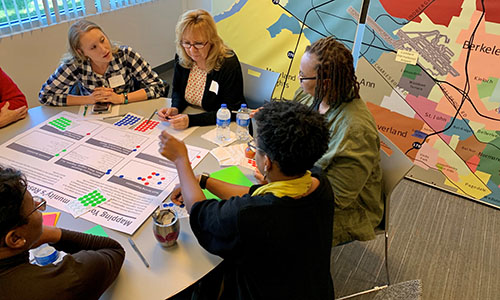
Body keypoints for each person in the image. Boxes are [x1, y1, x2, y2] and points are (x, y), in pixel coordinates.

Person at [158, 101, 334, 299]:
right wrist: (203, 181)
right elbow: (254, 192)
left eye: (255, 147)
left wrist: (181, 160)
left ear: (266, 162)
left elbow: (201, 212)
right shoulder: (318, 181)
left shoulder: (252, 215)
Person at [295, 36, 384, 246]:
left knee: (271, 223)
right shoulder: (308, 95)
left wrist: (283, 185)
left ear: (325, 83)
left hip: (348, 209)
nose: (299, 80)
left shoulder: (355, 130)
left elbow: (336, 198)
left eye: (303, 77)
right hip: (307, 178)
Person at [0, 166, 125, 300]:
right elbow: (114, 250)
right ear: (15, 238)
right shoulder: (63, 283)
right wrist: (54, 234)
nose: (41, 209)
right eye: (35, 208)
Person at [39, 19, 166, 106]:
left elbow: (158, 86)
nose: (104, 49)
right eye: (93, 47)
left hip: (127, 111)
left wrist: (122, 98)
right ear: (81, 52)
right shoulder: (74, 66)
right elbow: (45, 96)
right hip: (91, 119)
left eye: (102, 40)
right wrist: (89, 99)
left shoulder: (126, 55)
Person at [157, 9, 245, 129]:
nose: (192, 50)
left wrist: (191, 120)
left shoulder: (227, 63)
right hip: (193, 116)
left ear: (211, 41)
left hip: (221, 124)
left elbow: (233, 110)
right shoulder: (182, 56)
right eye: (187, 43)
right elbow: (177, 90)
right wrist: (175, 108)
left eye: (198, 43)